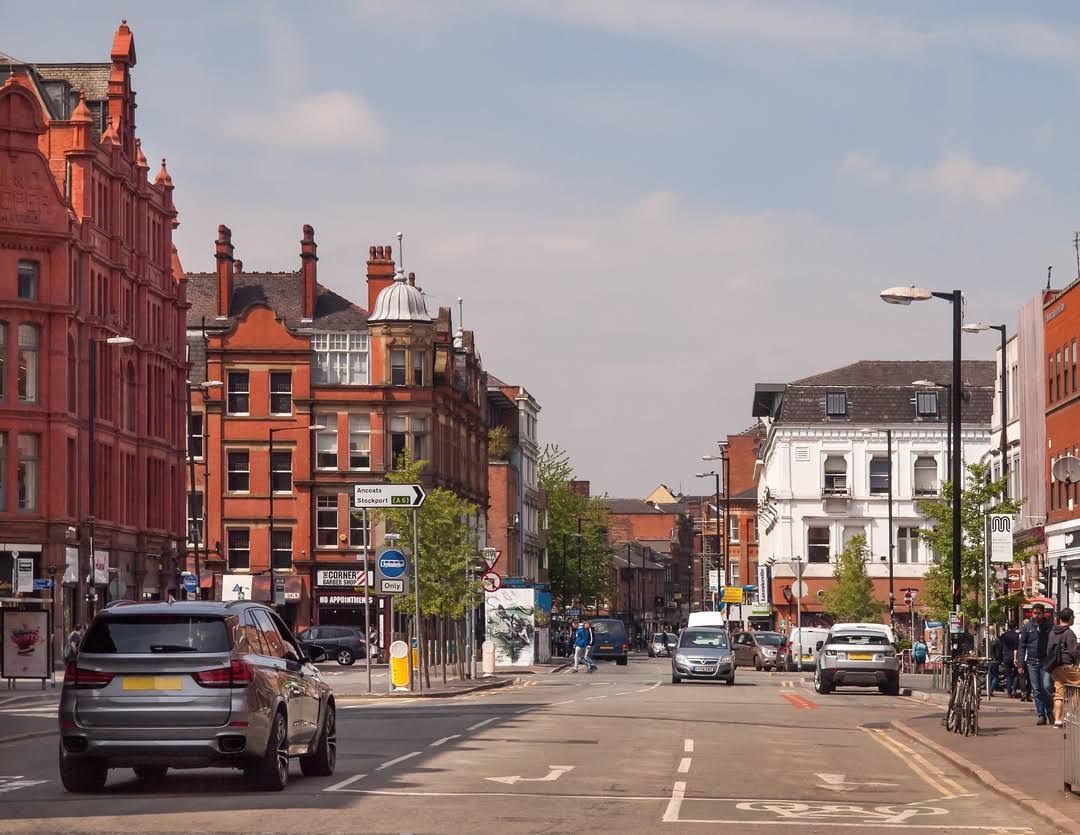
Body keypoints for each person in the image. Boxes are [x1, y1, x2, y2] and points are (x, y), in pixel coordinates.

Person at [1018, 603, 1054, 725]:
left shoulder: (1049, 626)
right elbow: (1022, 646)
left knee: (1047, 687)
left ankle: (1050, 712)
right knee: (1037, 690)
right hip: (1032, 662)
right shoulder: (1027, 627)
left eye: (1039, 613)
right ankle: (1041, 715)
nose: (1036, 615)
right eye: (1034, 613)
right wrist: (1021, 664)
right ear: (1032, 613)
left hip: (1045, 661)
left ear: (1043, 614)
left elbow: (1053, 644)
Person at [1047, 607, 1080, 729]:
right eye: (1073, 617)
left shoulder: (1052, 632)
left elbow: (1049, 650)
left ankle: (1057, 720)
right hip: (1068, 666)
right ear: (1070, 618)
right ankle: (1071, 715)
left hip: (1056, 667)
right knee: (1076, 689)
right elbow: (1073, 651)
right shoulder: (1069, 633)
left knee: (1059, 693)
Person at [999, 623, 1020, 698]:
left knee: (1008, 675)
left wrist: (1001, 658)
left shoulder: (1003, 635)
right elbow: (1017, 647)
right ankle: (1014, 688)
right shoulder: (1017, 635)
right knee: (1016, 674)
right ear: (1015, 627)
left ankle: (1009, 692)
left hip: (1006, 656)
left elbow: (1000, 647)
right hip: (1015, 657)